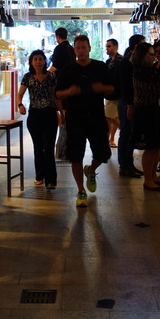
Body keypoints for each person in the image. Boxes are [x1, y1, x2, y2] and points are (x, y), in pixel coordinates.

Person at [55, 35, 115, 207]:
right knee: (75, 155)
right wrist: (69, 92)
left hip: (96, 116)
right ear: (74, 50)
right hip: (75, 118)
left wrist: (101, 88)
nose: (81, 51)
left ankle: (91, 170)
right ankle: (81, 190)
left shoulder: (100, 67)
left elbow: (113, 88)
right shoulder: (68, 70)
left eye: (84, 47)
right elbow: (58, 94)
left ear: (89, 48)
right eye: (78, 48)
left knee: (103, 153)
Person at [130, 42, 160, 191]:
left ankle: (153, 176)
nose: (154, 57)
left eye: (155, 54)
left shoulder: (153, 70)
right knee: (150, 146)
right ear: (142, 56)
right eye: (151, 54)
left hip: (158, 111)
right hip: (147, 112)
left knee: (158, 145)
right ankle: (148, 179)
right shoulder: (140, 72)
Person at [17, 50, 61, 190]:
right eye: (35, 59)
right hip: (34, 115)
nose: (38, 61)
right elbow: (19, 95)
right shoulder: (27, 77)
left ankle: (51, 180)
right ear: (31, 62)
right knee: (38, 147)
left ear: (44, 61)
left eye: (40, 59)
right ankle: (39, 175)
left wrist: (61, 111)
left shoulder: (51, 76)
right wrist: (20, 105)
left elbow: (55, 96)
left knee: (48, 148)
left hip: (49, 114)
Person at [116, 34, 145, 177]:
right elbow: (126, 86)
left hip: (131, 102)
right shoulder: (126, 63)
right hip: (127, 103)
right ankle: (124, 166)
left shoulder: (132, 62)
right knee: (126, 133)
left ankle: (129, 165)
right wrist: (129, 105)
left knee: (131, 134)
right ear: (136, 46)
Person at [104, 38, 122, 148]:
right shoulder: (108, 61)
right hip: (110, 92)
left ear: (116, 46)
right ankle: (110, 139)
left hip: (116, 92)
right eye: (106, 46)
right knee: (110, 116)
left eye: (109, 46)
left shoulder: (120, 61)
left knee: (110, 117)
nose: (107, 48)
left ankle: (110, 139)